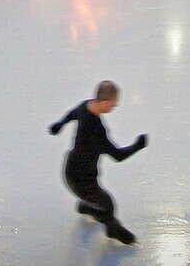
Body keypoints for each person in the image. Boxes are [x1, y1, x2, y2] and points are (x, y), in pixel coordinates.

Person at [49, 81, 147, 245]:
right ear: (105, 102)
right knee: (107, 205)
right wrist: (138, 145)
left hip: (72, 170)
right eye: (114, 104)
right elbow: (117, 155)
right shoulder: (96, 130)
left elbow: (72, 113)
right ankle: (114, 231)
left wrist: (60, 125)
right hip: (81, 180)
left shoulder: (86, 106)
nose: (114, 107)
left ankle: (86, 207)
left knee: (100, 200)